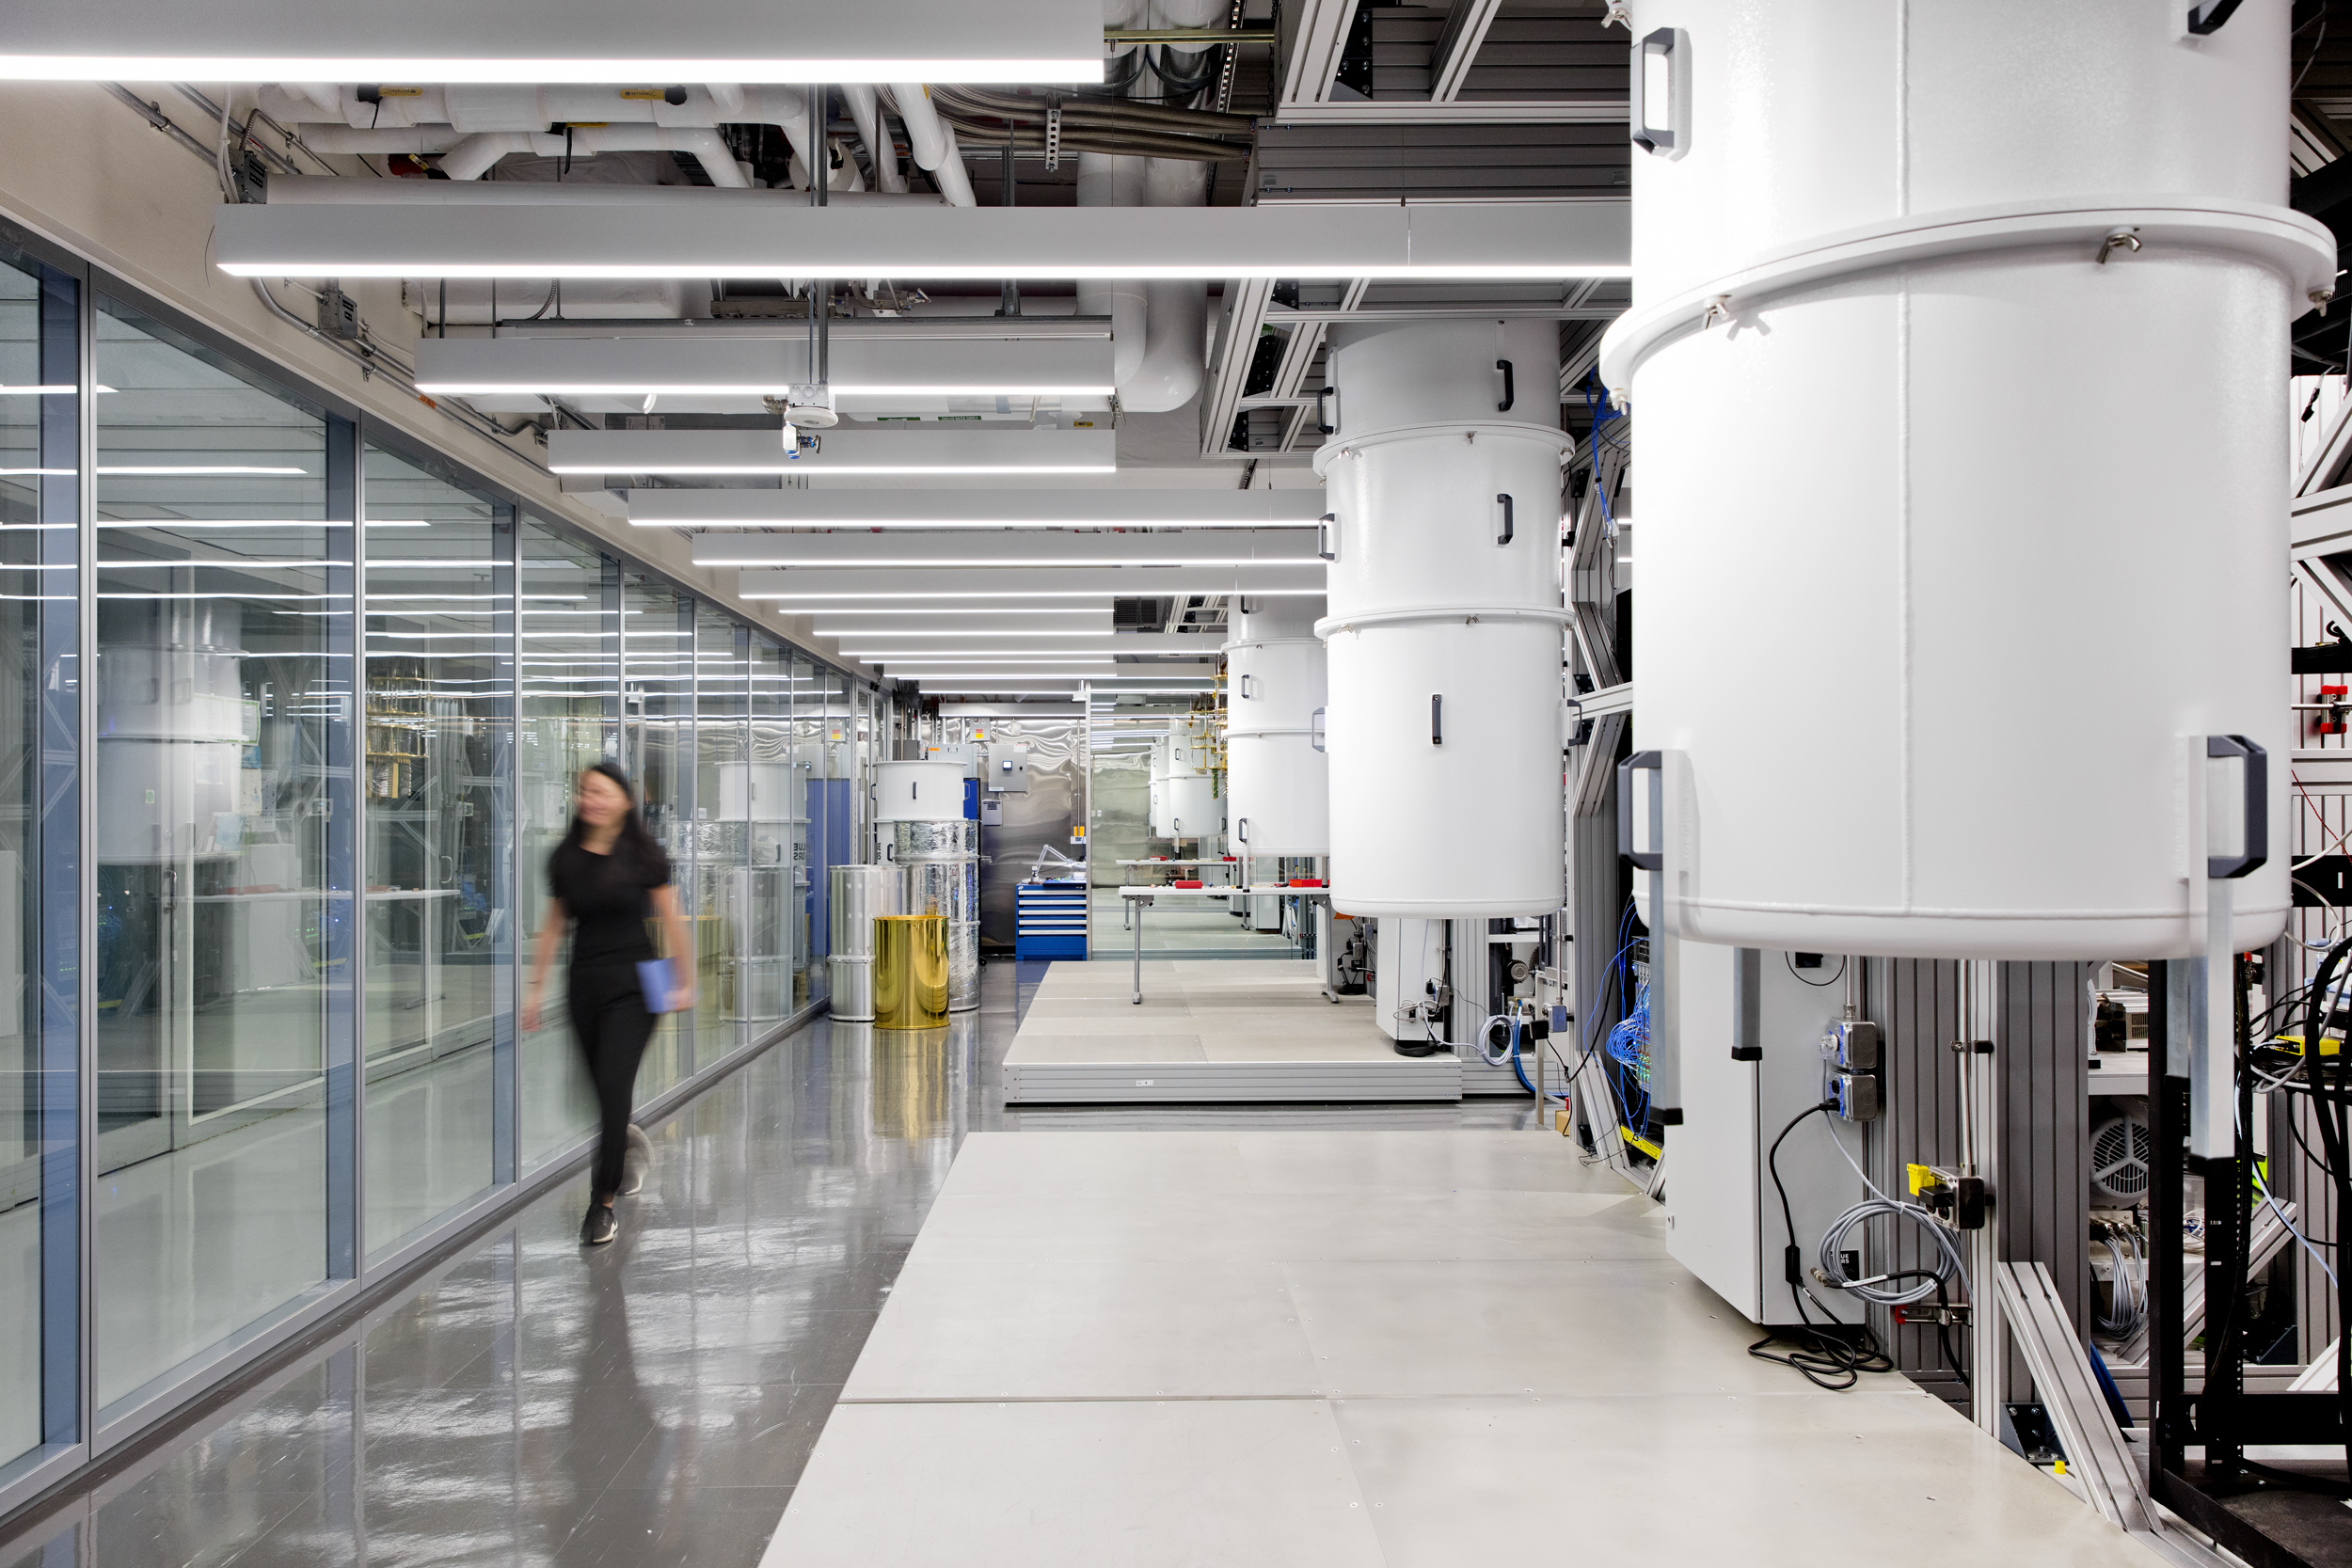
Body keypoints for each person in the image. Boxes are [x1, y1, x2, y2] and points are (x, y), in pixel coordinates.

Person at [522, 761, 694, 1246]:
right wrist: (534, 991)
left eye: (601, 792)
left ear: (624, 800)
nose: (591, 800)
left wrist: (685, 979)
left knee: (614, 1088)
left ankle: (602, 1204)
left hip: (638, 988)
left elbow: (672, 920)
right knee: (600, 1092)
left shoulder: (643, 856)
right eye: (584, 792)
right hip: (585, 985)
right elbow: (554, 926)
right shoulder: (566, 859)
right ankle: (624, 1136)